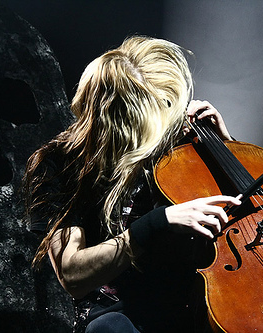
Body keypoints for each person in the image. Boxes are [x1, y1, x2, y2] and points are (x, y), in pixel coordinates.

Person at [23, 36, 241, 333]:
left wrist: (225, 150)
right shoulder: (57, 163)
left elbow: (246, 217)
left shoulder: (175, 143)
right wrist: (157, 222)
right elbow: (72, 274)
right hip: (120, 314)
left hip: (195, 299)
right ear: (119, 119)